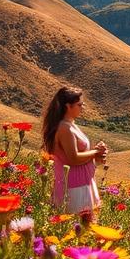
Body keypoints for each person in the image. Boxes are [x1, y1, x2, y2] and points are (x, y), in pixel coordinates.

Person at [41, 86, 108, 215]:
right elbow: (73, 159)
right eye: (79, 105)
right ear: (68, 106)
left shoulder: (71, 125)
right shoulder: (64, 128)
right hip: (75, 187)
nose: (82, 108)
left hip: (83, 183)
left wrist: (97, 154)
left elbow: (79, 156)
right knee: (79, 226)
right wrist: (95, 152)